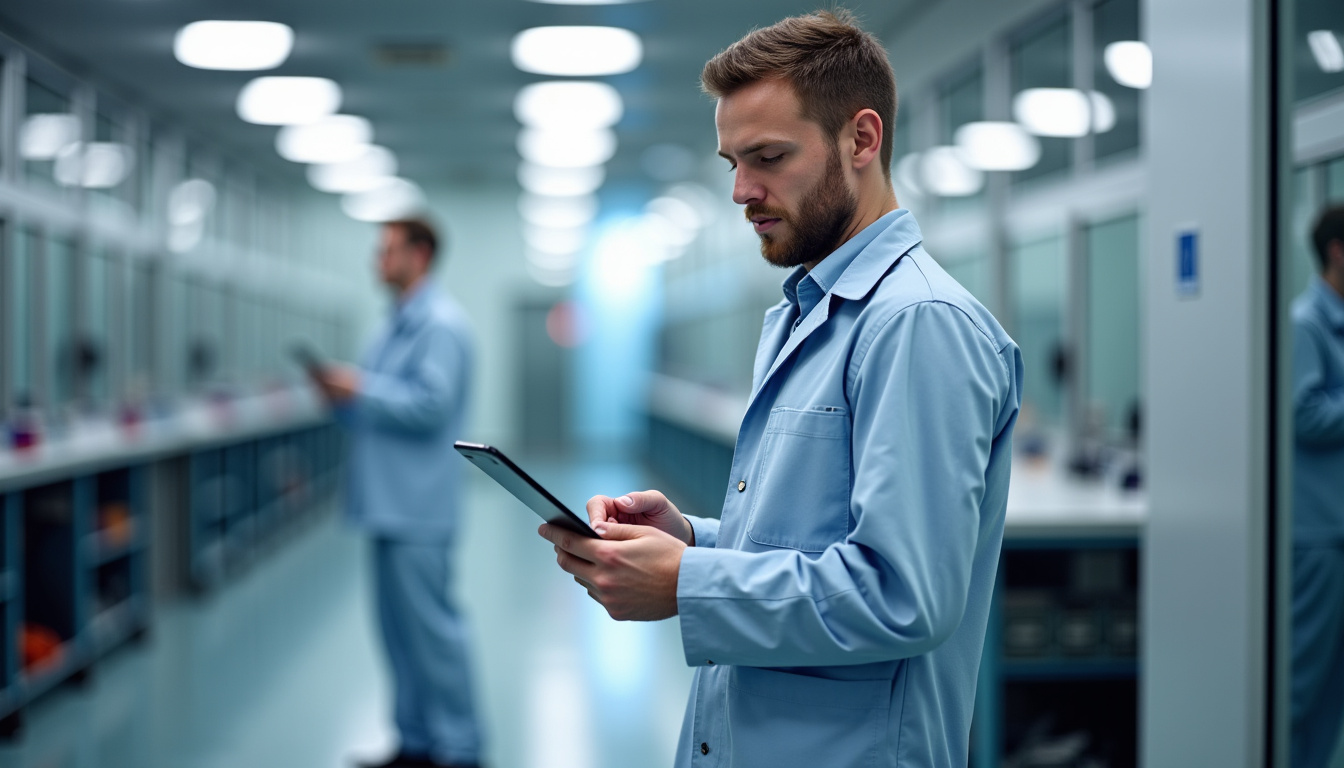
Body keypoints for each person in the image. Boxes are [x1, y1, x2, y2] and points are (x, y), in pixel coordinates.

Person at [538, 10, 1021, 767]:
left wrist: (689, 586)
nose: (741, 190)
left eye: (767, 157)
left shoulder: (917, 324)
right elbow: (816, 541)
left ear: (862, 139)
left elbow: (904, 594)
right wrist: (693, 539)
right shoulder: (811, 312)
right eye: (732, 161)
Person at [313, 218, 484, 768]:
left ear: (422, 254)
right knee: (398, 639)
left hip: (419, 507)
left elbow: (429, 406)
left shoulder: (441, 326)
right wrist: (343, 397)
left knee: (434, 637)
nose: (377, 260)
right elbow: (378, 408)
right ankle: (415, 744)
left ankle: (460, 749)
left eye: (387, 250)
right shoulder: (393, 327)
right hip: (386, 503)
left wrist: (358, 388)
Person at [1291, 204, 1344, 768]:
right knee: (1301, 686)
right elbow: (1301, 413)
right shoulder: (1306, 323)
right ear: (1336, 251)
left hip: (1338, 531)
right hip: (1316, 536)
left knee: (1334, 692)